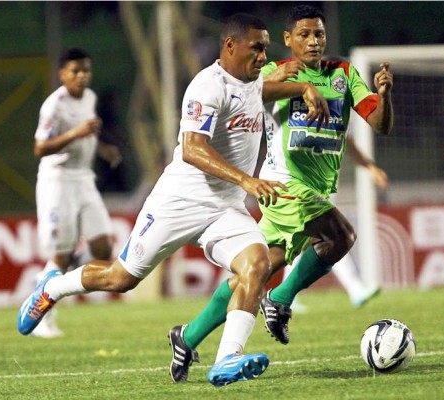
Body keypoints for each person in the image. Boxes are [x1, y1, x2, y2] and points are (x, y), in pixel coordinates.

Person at [17, 13, 329, 387]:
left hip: (224, 208)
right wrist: (248, 179)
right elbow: (193, 149)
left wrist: (303, 89)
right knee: (120, 278)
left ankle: (227, 358)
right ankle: (51, 289)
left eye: (265, 48)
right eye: (257, 48)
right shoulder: (205, 86)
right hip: (179, 201)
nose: (264, 56)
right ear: (230, 46)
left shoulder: (253, 80)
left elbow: (261, 91)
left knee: (257, 264)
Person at [168, 4, 393, 382]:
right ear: (287, 40)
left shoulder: (344, 74)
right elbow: (249, 93)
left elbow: (379, 124)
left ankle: (187, 337)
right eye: (303, 34)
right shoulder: (273, 72)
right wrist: (296, 86)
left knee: (256, 272)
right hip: (284, 186)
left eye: (318, 34)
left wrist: (383, 95)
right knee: (341, 236)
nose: (313, 41)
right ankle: (280, 300)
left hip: (314, 190)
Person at [31, 48, 121, 338]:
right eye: (75, 71)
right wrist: (75, 133)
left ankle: (55, 274)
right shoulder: (53, 105)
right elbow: (40, 148)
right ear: (62, 74)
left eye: (86, 71)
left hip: (84, 178)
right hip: (57, 181)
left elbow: (89, 132)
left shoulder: (90, 98)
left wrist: (104, 148)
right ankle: (43, 314)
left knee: (104, 250)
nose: (82, 76)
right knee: (61, 254)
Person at [283, 132, 388, 312]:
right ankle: (355, 288)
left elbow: (349, 142)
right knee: (330, 235)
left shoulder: (339, 114)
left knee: (309, 237)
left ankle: (285, 296)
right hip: (301, 183)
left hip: (326, 184)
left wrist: (370, 167)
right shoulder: (299, 112)